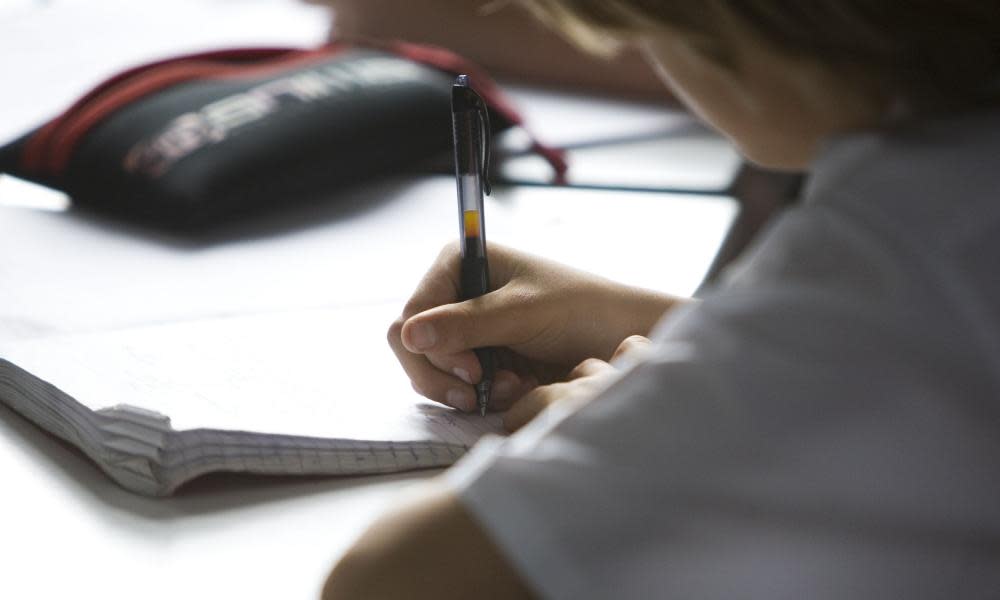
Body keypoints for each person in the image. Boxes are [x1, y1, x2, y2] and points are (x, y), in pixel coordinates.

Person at [322, 1, 1000, 598]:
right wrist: (672, 330)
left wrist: (596, 428)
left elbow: (390, 581)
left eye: (645, 32)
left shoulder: (902, 252)